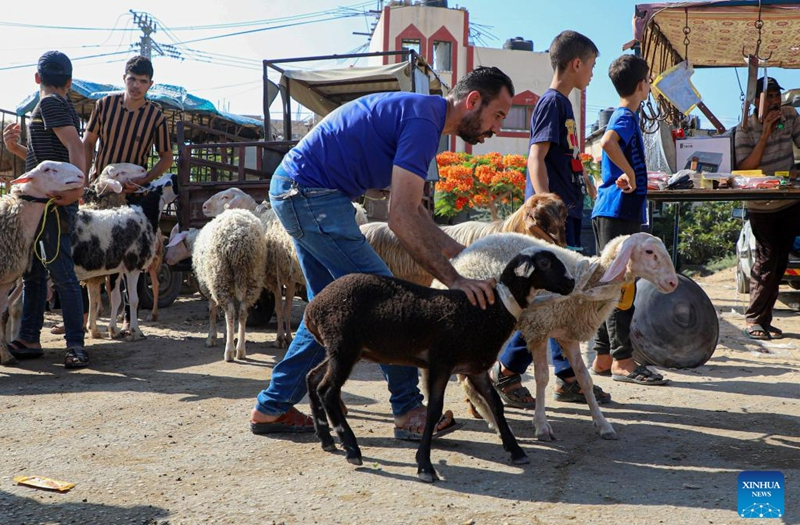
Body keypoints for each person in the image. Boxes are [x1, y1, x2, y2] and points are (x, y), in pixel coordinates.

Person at [250, 66, 514, 437]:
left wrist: (458, 251)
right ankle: (408, 410)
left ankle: (272, 407)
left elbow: (414, 210)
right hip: (311, 195)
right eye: (498, 115)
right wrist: (454, 279)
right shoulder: (424, 121)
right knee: (386, 302)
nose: (497, 128)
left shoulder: (424, 118)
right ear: (473, 101)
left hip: (304, 192)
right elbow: (400, 218)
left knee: (327, 310)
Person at [488, 30, 610, 407]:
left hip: (566, 215)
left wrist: (585, 184)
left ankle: (568, 376)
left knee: (562, 298)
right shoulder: (552, 104)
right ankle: (507, 372)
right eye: (590, 65)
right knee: (544, 301)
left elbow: (563, 159)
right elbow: (536, 158)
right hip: (549, 223)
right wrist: (543, 211)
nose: (591, 73)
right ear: (575, 64)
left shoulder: (566, 107)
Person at [2, 50, 88, 368]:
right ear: (69, 81)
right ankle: (28, 337)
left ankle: (76, 345)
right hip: (44, 202)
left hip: (53, 204)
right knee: (34, 272)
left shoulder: (49, 104)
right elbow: (45, 163)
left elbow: (75, 147)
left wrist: (78, 188)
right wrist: (16, 149)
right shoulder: (59, 106)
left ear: (37, 78)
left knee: (60, 271)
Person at [588, 54, 667, 385]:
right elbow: (607, 142)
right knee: (623, 288)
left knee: (611, 285)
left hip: (612, 210)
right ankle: (623, 360)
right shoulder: (624, 117)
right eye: (648, 80)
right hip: (618, 212)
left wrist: (627, 173)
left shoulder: (625, 115)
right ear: (641, 85)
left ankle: (604, 357)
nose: (649, 85)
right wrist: (631, 172)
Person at [82, 55, 173, 333]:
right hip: (102, 191)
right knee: (92, 251)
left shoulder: (155, 115)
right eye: (132, 79)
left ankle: (123, 316)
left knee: (128, 256)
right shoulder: (104, 105)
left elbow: (167, 157)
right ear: (124, 78)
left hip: (133, 194)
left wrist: (145, 179)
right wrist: (86, 178)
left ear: (150, 84)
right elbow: (88, 142)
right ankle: (89, 316)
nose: (136, 86)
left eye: (142, 82)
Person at [735, 76, 800, 340]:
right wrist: (765, 135)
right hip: (761, 204)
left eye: (776, 95)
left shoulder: (790, 115)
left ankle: (764, 318)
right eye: (769, 97)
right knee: (766, 259)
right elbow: (745, 168)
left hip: (788, 200)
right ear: (756, 102)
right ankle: (753, 320)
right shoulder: (744, 129)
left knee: (780, 260)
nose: (774, 101)